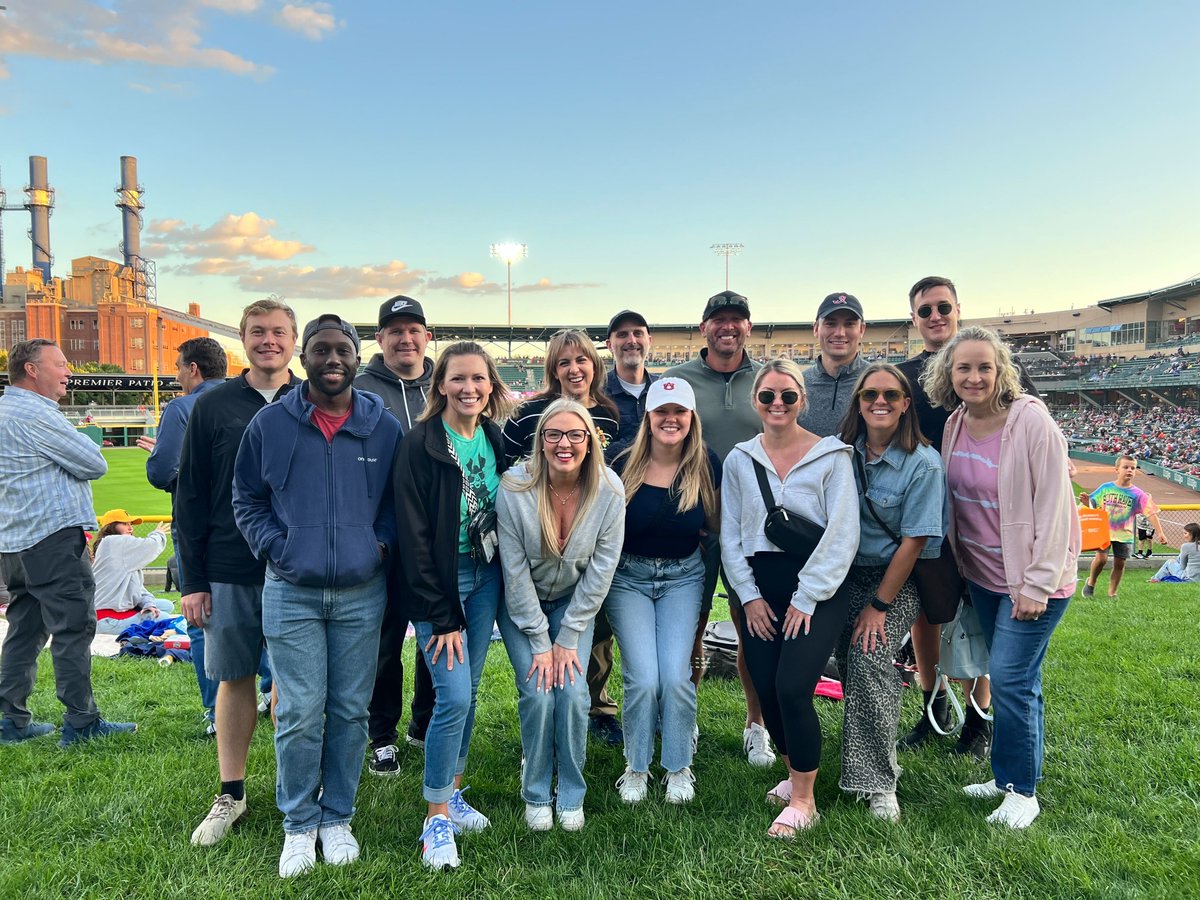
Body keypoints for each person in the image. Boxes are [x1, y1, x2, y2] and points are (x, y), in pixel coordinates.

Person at [233, 314, 400, 877]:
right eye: (321, 350)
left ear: (358, 358)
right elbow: (247, 499)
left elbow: (398, 505)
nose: (333, 360)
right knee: (301, 711)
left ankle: (338, 817)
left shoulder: (382, 426)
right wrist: (278, 550)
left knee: (351, 710)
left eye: (343, 351)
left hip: (361, 590)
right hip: (292, 589)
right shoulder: (270, 423)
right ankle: (300, 824)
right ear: (304, 357)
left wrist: (377, 546)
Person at [922, 326, 1080, 829]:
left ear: (1000, 370)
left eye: (984, 367)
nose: (973, 377)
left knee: (1013, 681)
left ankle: (1023, 792)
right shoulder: (955, 424)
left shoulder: (1030, 420)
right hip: (985, 579)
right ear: (948, 373)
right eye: (963, 367)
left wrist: (1036, 583)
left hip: (1034, 583)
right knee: (1014, 678)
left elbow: (1056, 507)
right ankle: (1005, 774)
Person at [895, 275, 1044, 756]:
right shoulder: (904, 374)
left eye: (943, 307)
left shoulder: (996, 362)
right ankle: (932, 705)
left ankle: (978, 720)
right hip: (927, 513)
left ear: (958, 308)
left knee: (978, 614)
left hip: (987, 516)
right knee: (926, 613)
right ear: (914, 318)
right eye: (925, 311)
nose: (935, 317)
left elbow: (1034, 429)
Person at [177, 298, 300, 847]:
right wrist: (194, 579)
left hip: (300, 569)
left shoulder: (317, 397)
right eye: (257, 331)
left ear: (293, 339)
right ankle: (232, 791)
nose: (268, 340)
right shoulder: (213, 404)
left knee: (299, 686)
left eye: (278, 331)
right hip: (229, 567)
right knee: (234, 677)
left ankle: (303, 788)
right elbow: (192, 495)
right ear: (243, 339)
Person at [721, 359, 858, 836]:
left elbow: (842, 535)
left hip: (817, 586)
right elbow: (732, 535)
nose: (777, 404)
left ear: (803, 399)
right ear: (755, 400)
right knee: (765, 681)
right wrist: (748, 597)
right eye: (767, 396)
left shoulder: (832, 456)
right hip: (759, 585)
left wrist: (807, 597)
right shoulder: (740, 459)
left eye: (788, 396)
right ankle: (793, 767)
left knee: (794, 687)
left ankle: (805, 799)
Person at [392, 342, 513, 870]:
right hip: (441, 584)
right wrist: (440, 614)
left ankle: (454, 793)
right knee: (455, 697)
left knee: (471, 692)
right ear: (440, 383)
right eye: (458, 379)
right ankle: (434, 816)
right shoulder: (420, 444)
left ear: (491, 387)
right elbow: (413, 537)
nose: (469, 388)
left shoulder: (492, 438)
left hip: (486, 578)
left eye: (478, 380)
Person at [496, 400, 625, 833]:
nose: (564, 444)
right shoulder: (514, 487)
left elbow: (602, 569)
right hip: (523, 607)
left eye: (575, 435)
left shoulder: (609, 489)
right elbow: (513, 573)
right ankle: (535, 789)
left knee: (571, 695)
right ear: (540, 441)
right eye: (553, 434)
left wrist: (567, 637)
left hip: (575, 607)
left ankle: (570, 790)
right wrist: (539, 640)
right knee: (537, 693)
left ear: (590, 441)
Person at [0, 339, 136, 746]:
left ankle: (11, 720)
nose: (68, 372)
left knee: (25, 627)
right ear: (31, 370)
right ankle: (81, 722)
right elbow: (95, 463)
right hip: (53, 537)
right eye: (60, 364)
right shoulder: (34, 414)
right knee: (73, 627)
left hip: (14, 541)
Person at [834, 364, 945, 822]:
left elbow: (914, 543)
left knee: (870, 656)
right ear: (858, 403)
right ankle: (855, 765)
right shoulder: (841, 454)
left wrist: (879, 606)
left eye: (891, 395)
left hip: (893, 580)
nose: (880, 402)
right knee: (848, 662)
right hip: (842, 576)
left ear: (905, 404)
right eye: (870, 395)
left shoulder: (923, 463)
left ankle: (880, 782)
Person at [501, 329, 622, 746]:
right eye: (564, 362)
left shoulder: (608, 413)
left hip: (586, 540)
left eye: (581, 360)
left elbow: (610, 473)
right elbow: (508, 468)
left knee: (595, 637)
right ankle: (540, 737)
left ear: (594, 365)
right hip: (534, 537)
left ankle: (597, 707)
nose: (574, 369)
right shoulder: (529, 414)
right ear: (553, 370)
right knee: (540, 670)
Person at [665, 290, 771, 767]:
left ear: (749, 327)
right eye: (719, 319)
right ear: (704, 326)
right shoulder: (679, 379)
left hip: (758, 527)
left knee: (757, 623)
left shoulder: (768, 380)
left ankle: (757, 725)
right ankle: (685, 722)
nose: (728, 327)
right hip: (697, 524)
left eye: (737, 320)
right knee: (692, 625)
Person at [606, 377, 720, 805]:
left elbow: (719, 524)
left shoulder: (706, 462)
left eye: (679, 412)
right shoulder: (621, 461)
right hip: (628, 577)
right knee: (643, 679)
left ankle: (677, 766)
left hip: (682, 577)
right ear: (648, 418)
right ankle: (636, 767)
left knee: (674, 676)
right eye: (662, 411)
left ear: (691, 418)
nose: (670, 419)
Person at [355, 295, 437, 772]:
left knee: (436, 635)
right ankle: (380, 732)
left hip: (436, 541)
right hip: (380, 539)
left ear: (427, 336)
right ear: (380, 338)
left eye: (414, 329)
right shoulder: (361, 388)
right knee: (383, 644)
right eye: (395, 330)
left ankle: (424, 723)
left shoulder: (444, 385)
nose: (406, 338)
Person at [135, 337, 232, 735]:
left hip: (201, 527)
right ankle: (267, 691)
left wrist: (175, 461)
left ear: (194, 369)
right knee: (259, 615)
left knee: (201, 614)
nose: (177, 376)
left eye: (178, 367)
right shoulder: (249, 399)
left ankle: (216, 711)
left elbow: (161, 472)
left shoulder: (182, 407)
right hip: (255, 528)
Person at [1082, 456, 1167, 599]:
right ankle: (1091, 582)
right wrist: (1086, 502)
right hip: (1105, 532)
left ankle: (1112, 592)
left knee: (1120, 563)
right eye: (1126, 467)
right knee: (1101, 560)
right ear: (1117, 469)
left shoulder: (1138, 494)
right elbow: (1093, 505)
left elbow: (1151, 513)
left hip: (1124, 534)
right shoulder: (1106, 487)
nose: (1129, 470)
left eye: (1133, 468)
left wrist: (1160, 532)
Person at [796, 292, 869, 437]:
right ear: (816, 329)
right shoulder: (797, 384)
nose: (840, 333)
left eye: (849, 324)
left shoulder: (877, 381)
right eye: (830, 323)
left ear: (861, 330)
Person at [90, 510, 174, 634]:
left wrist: (148, 605)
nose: (130, 528)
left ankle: (140, 613)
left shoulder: (121, 551)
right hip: (107, 619)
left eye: (130, 524)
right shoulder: (112, 541)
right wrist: (158, 533)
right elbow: (151, 545)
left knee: (166, 605)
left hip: (112, 612)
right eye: (124, 524)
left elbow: (138, 589)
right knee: (164, 618)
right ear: (111, 526)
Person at [604, 309, 657, 457]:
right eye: (622, 335)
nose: (632, 341)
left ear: (649, 341)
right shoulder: (595, 394)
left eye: (638, 333)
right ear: (609, 345)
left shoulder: (662, 391)